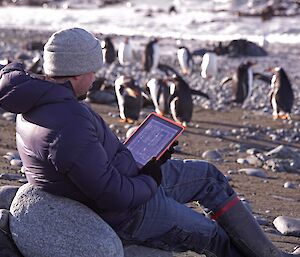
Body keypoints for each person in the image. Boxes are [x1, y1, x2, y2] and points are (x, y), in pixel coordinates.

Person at [0, 27, 298, 257]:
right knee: (212, 235)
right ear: (77, 72)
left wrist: (137, 154)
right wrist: (151, 176)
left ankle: (268, 253)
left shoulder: (43, 103)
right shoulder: (68, 120)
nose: (95, 78)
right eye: (93, 71)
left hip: (127, 179)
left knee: (209, 176)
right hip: (127, 212)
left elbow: (88, 162)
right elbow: (111, 195)